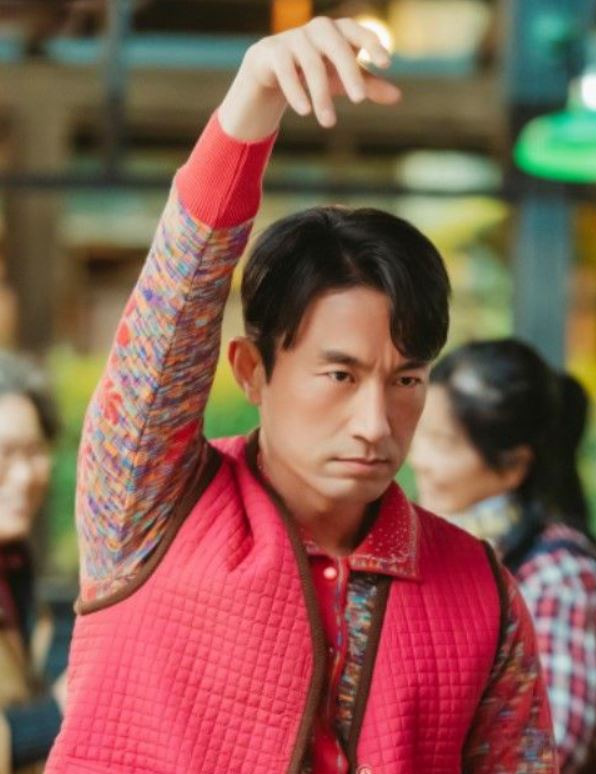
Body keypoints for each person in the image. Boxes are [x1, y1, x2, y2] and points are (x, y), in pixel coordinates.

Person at [47, 18, 557, 773]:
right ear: (252, 371)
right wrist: (250, 106)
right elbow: (170, 314)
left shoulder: (483, 591)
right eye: (340, 376)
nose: (375, 424)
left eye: (406, 380)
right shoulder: (147, 510)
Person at [410, 337, 596, 773]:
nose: (418, 458)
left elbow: (553, 746)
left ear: (514, 465)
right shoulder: (436, 547)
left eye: (444, 443)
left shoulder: (559, 575)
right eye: (420, 433)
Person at [0, 351, 68, 774]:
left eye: (34, 451)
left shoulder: (17, 566)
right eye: (5, 455)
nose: (25, 476)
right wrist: (56, 713)